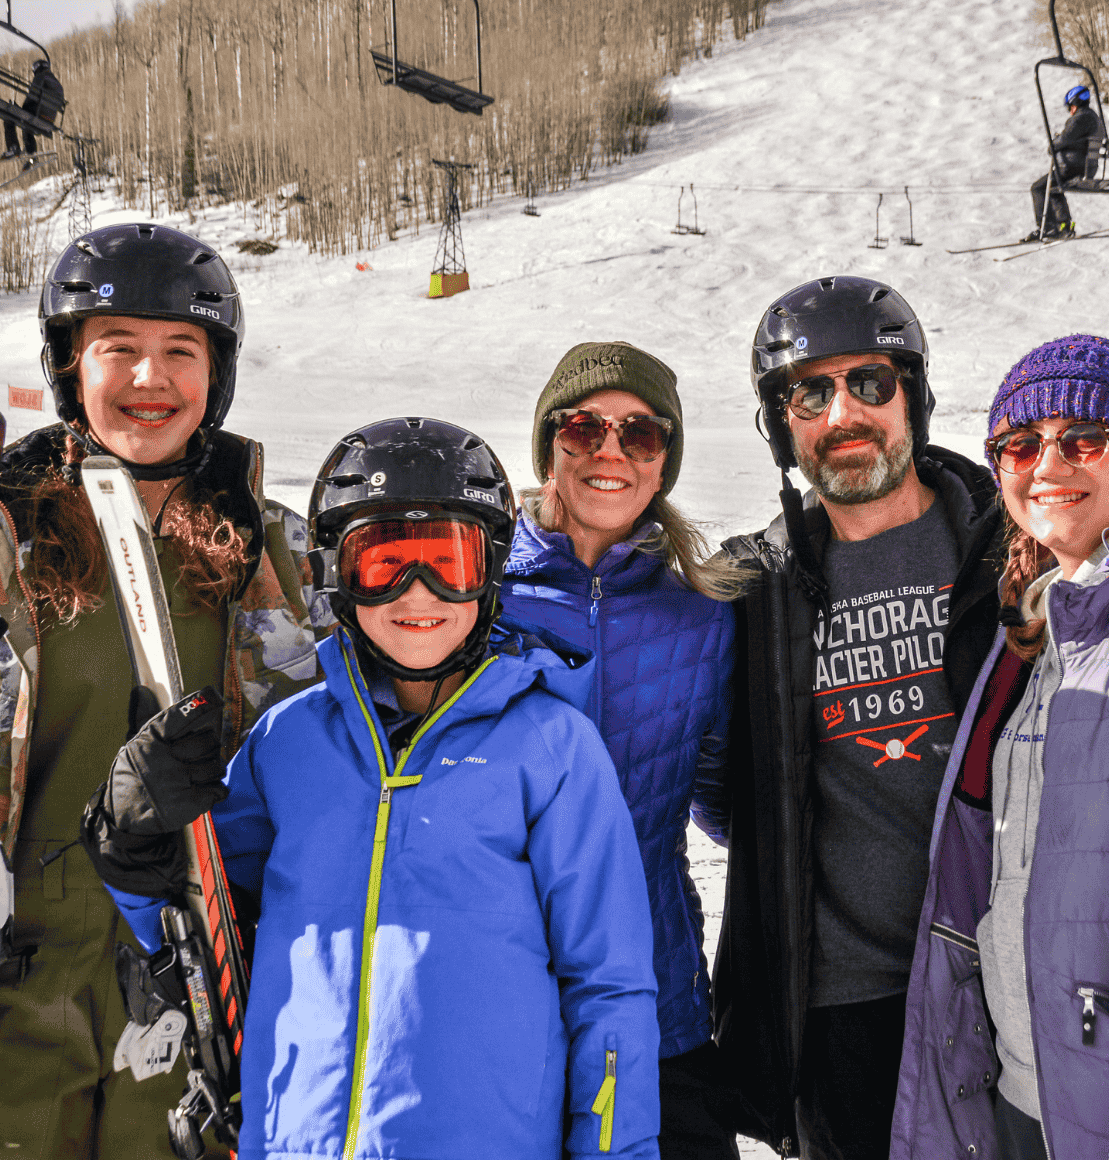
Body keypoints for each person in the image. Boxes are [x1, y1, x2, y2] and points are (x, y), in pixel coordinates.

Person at [81, 416, 664, 1160]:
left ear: (488, 570)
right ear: (335, 574)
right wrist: (131, 843)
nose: (416, 592)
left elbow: (608, 986)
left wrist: (617, 1151)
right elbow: (196, 929)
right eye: (382, 560)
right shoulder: (288, 742)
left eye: (446, 560)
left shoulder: (551, 750)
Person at [0, 222, 331, 1159]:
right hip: (25, 970)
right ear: (70, 366)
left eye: (179, 351)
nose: (151, 380)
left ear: (216, 373)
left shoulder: (278, 555)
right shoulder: (8, 537)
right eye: (119, 350)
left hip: (195, 967)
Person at [702, 277, 1004, 1160]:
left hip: (1004, 980)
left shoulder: (1007, 549)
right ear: (780, 423)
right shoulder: (753, 594)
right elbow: (723, 786)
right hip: (843, 1008)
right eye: (810, 392)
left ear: (913, 393)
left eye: (870, 382)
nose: (844, 412)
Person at [889, 335, 1109, 1160]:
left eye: (1084, 438)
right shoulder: (1037, 633)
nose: (1049, 463)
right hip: (1018, 1094)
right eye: (1020, 443)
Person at [501, 342, 742, 1160]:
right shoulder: (473, 599)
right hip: (506, 1007)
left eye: (640, 434)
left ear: (664, 460)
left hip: (659, 1004)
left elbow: (723, 801)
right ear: (548, 448)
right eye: (583, 427)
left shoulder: (702, 617)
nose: (610, 451)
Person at [1024, 84, 1105, 242]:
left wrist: (1053, 145)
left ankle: (1046, 227)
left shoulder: (1081, 118)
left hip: (1073, 166)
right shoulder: (1091, 116)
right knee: (1054, 188)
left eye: (1071, 107)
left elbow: (1066, 138)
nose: (1070, 111)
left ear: (1076, 104)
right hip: (1084, 166)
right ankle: (1063, 226)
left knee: (1038, 188)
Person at [2, 58, 65, 166]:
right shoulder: (58, 85)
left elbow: (33, 95)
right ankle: (32, 156)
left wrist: (22, 108)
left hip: (38, 114)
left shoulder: (40, 77)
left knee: (9, 116)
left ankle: (13, 147)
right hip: (48, 120)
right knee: (27, 126)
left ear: (38, 68)